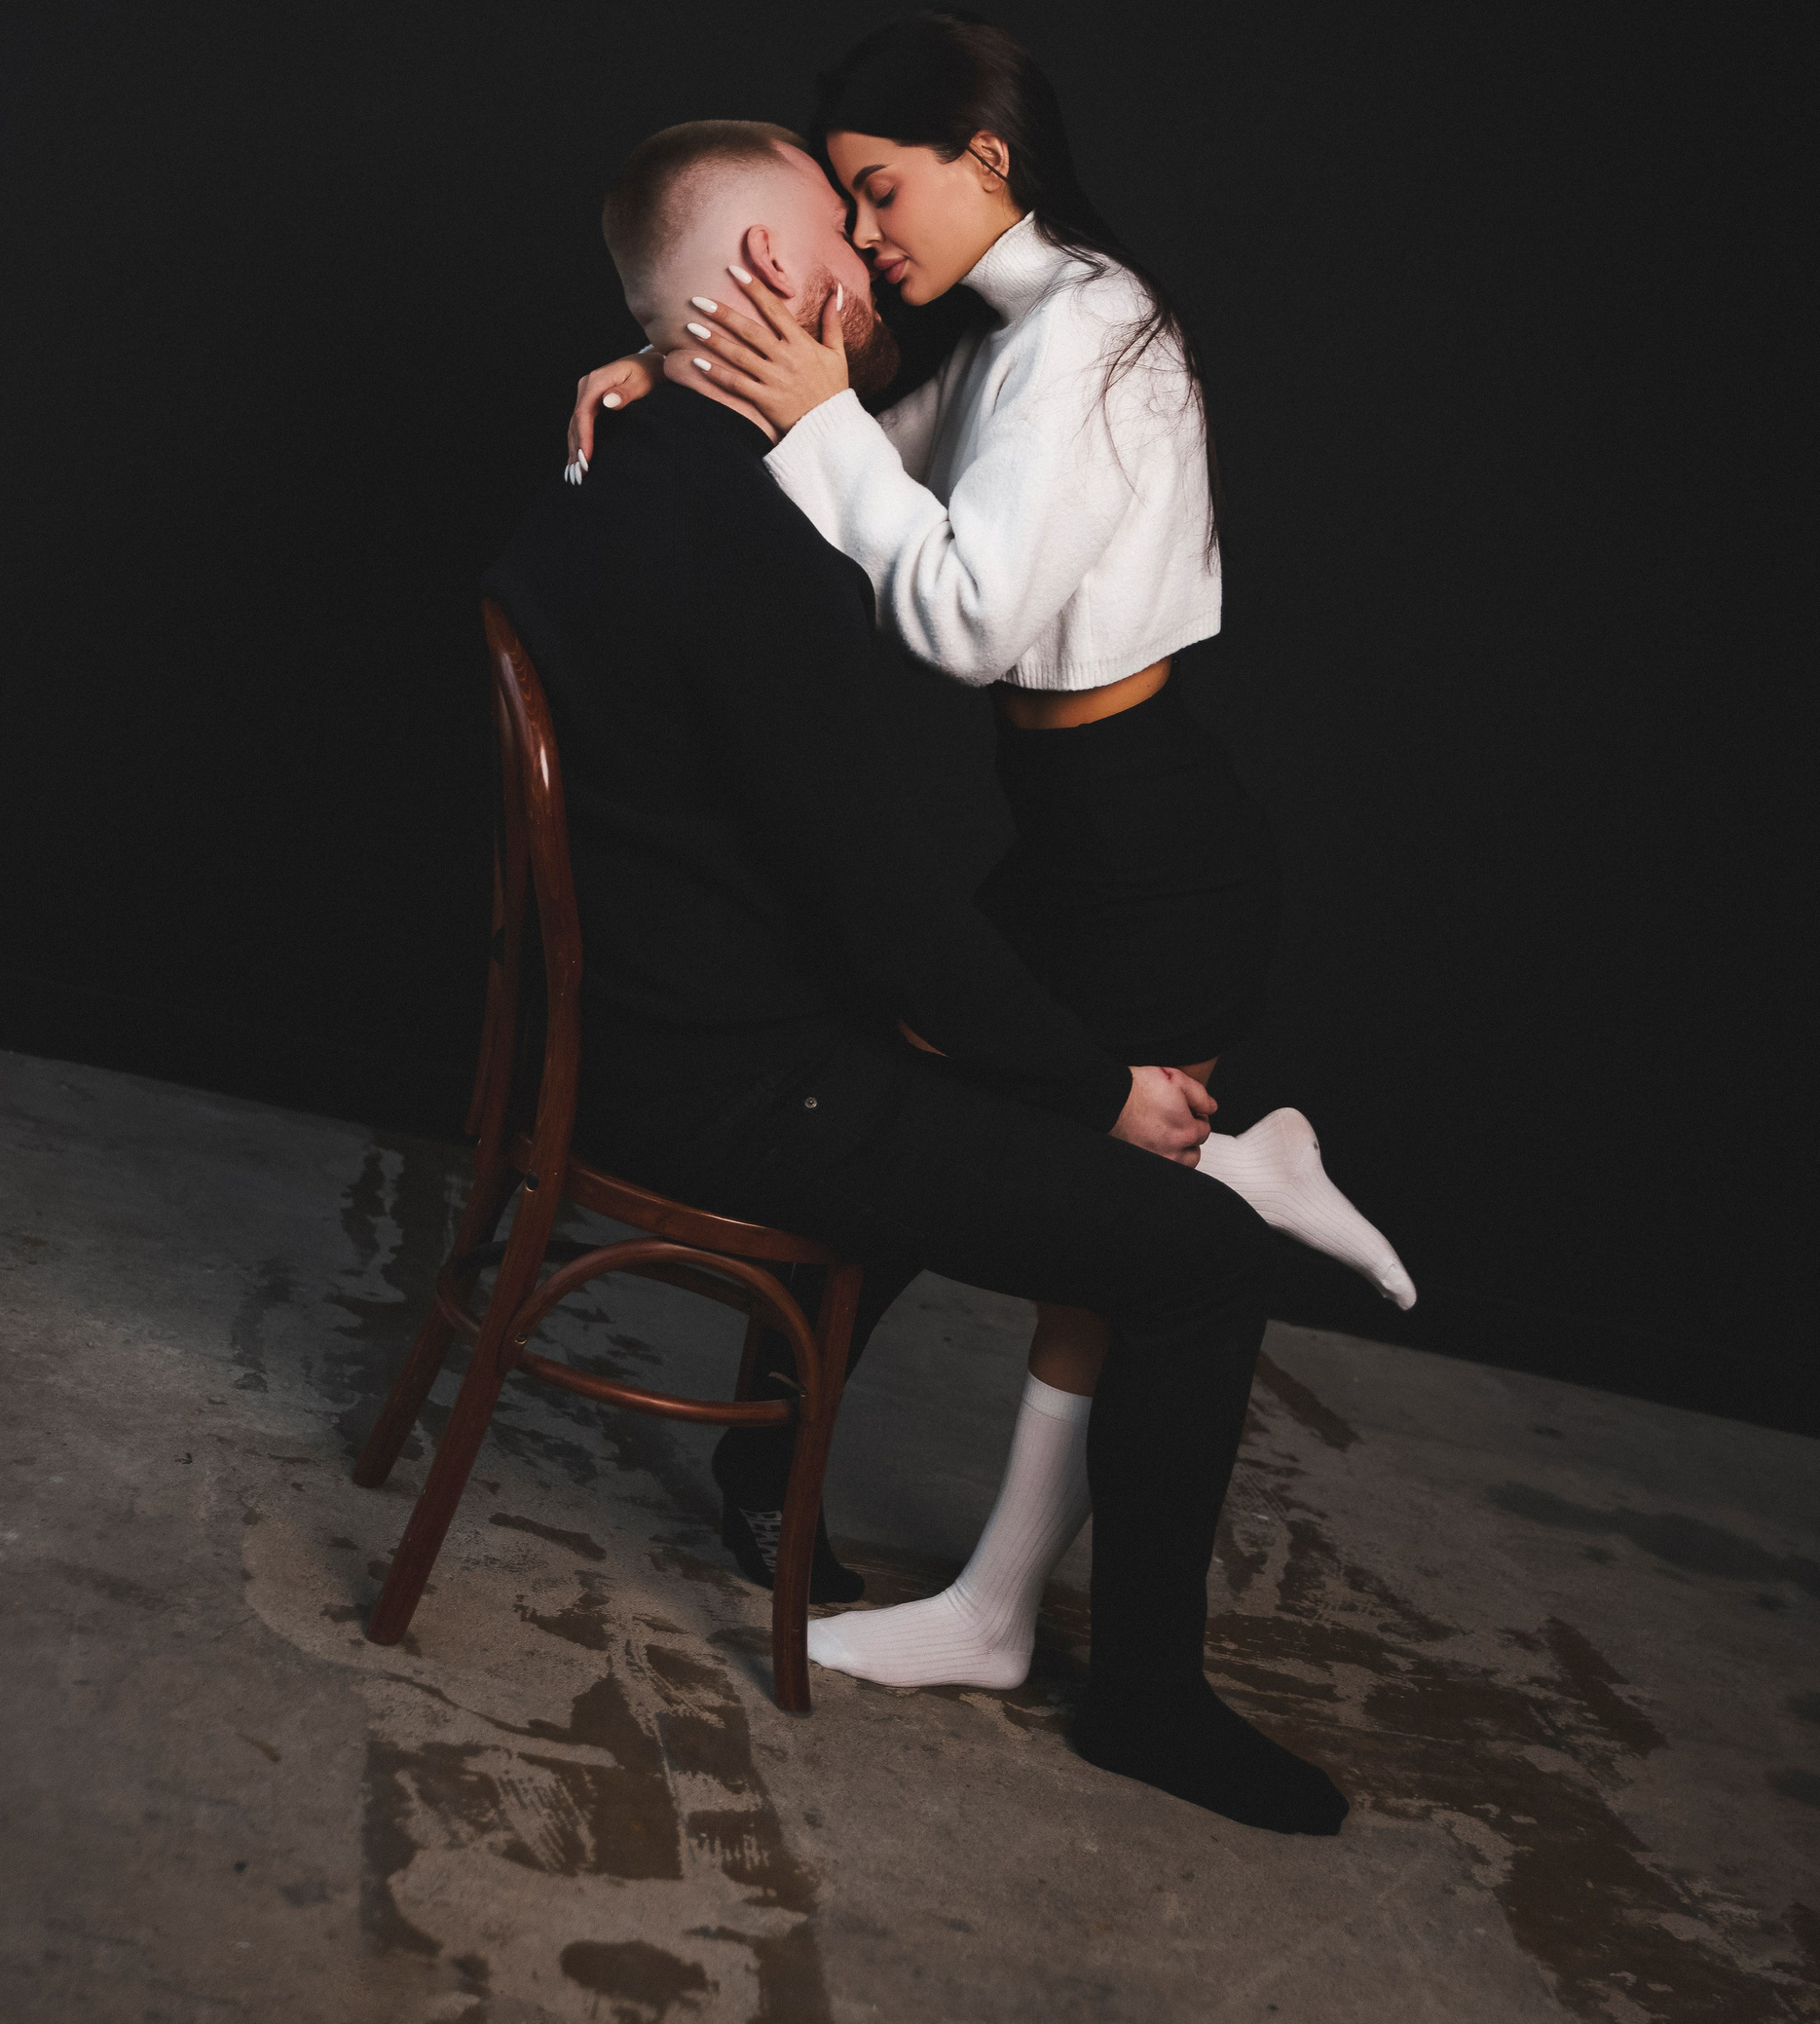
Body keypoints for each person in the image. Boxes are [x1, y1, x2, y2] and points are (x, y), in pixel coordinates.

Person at [491, 115, 1349, 1836]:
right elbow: (886, 907)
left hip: (664, 1032)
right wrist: (1102, 1096)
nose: (875, 257)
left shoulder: (630, 468)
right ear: (771, 269)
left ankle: (773, 1463)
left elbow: (852, 892)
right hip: (745, 1086)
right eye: (846, 218)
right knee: (1199, 1256)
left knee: (970, 1050)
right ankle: (1146, 1703)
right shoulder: (739, 534)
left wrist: (666, 365)